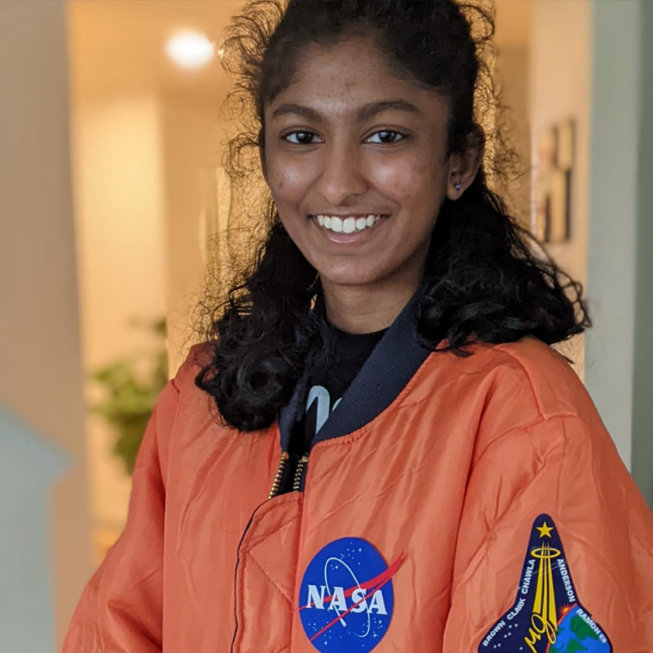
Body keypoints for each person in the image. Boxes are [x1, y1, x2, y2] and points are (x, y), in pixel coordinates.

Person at [63, 0, 653, 651]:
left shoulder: (521, 418)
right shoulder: (200, 404)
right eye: (301, 136)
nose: (338, 183)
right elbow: (114, 630)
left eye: (385, 135)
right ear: (264, 156)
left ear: (458, 162)